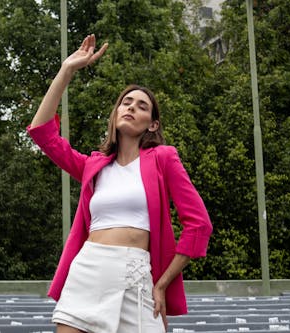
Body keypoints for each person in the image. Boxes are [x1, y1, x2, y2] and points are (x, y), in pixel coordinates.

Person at [27, 34, 213, 333]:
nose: (131, 107)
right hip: (88, 270)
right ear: (114, 115)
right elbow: (42, 133)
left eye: (141, 106)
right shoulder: (94, 166)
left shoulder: (163, 159)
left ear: (152, 124)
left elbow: (199, 225)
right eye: (126, 103)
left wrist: (162, 284)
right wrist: (67, 70)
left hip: (136, 273)